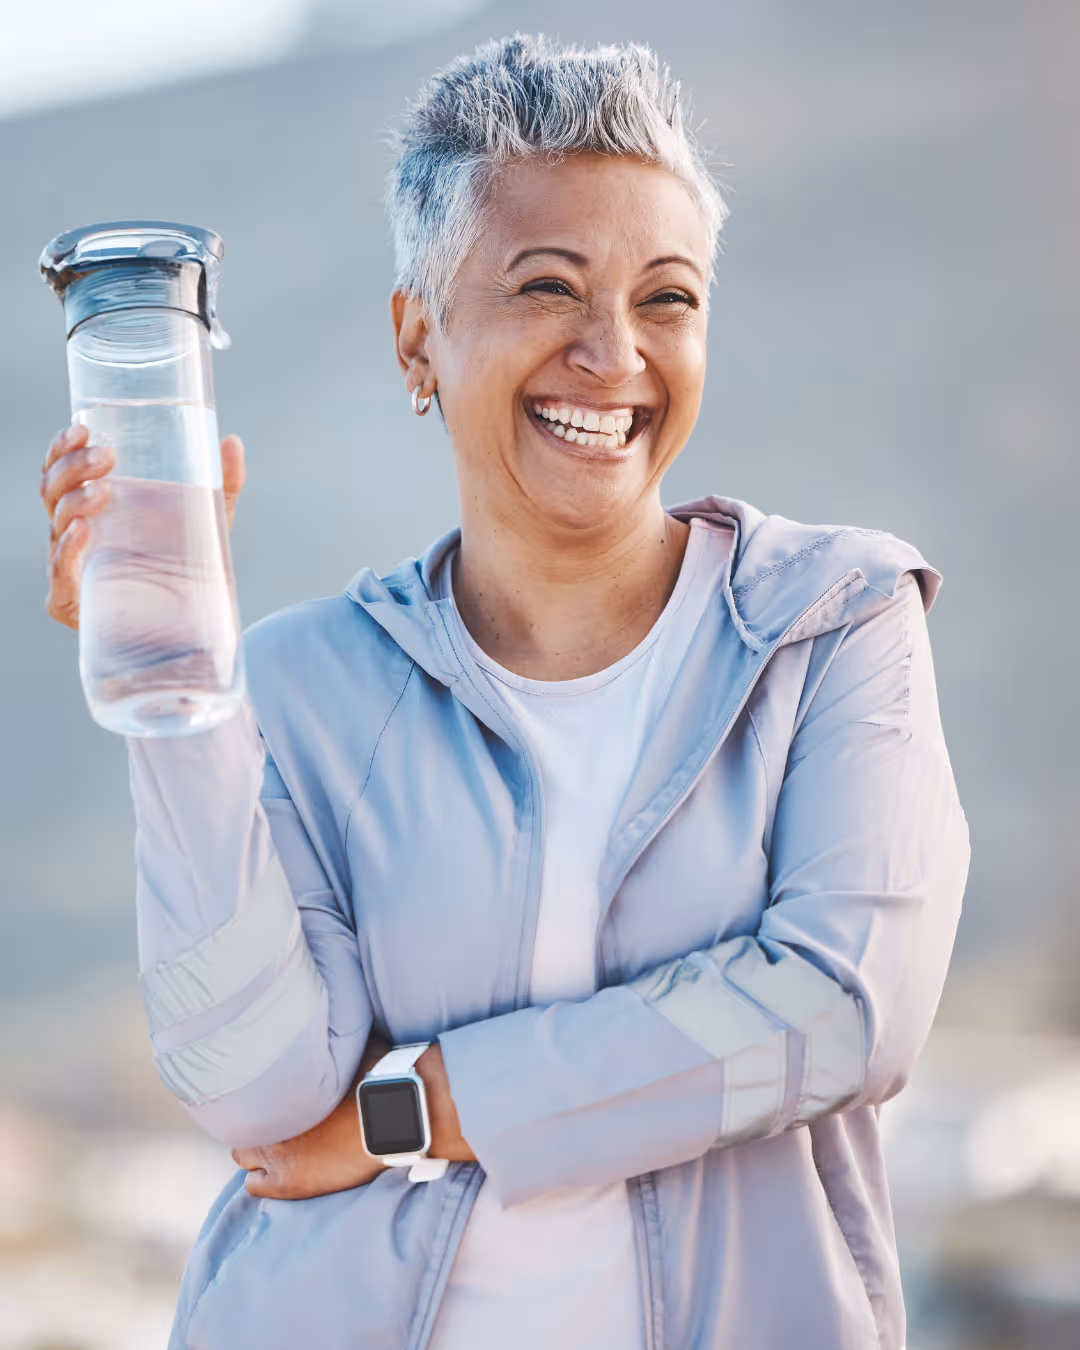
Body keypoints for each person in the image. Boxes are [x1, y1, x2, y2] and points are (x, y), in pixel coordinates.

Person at [38, 35, 969, 1350]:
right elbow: (256, 1083)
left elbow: (838, 1010)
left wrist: (420, 1105)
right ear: (418, 334)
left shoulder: (830, 624)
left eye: (668, 297)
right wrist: (180, 679)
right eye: (549, 285)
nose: (613, 352)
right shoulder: (299, 682)